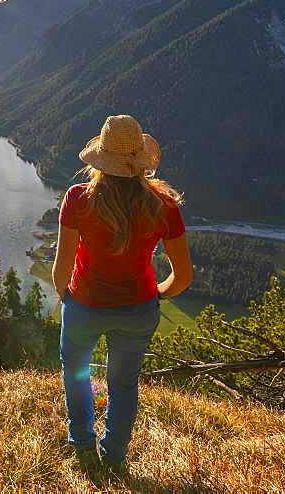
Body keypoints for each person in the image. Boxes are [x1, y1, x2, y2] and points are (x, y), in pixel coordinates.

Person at [52, 114, 192, 469]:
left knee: (76, 372)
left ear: (101, 157)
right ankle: (114, 456)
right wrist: (156, 293)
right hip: (138, 308)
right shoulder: (164, 205)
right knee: (124, 384)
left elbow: (61, 268)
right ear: (141, 161)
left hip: (84, 305)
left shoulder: (77, 199)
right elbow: (184, 276)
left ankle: (82, 445)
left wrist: (67, 298)